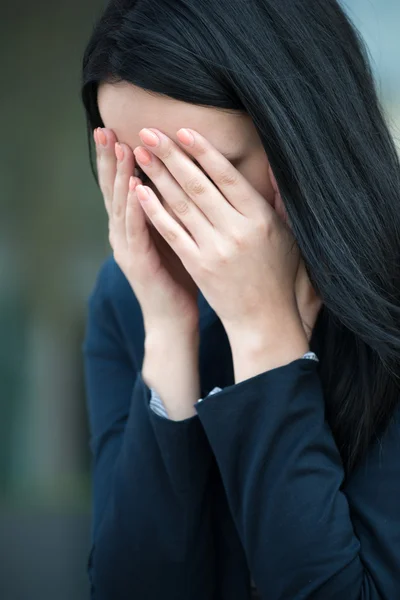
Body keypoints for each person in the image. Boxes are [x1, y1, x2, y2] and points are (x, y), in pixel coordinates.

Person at [81, 0, 400, 598]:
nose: (175, 214)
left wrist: (266, 338)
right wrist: (170, 331)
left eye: (206, 172)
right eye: (145, 176)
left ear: (309, 139)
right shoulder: (130, 297)